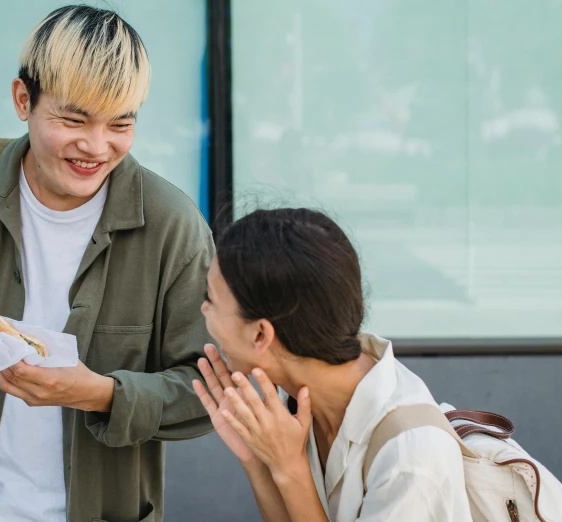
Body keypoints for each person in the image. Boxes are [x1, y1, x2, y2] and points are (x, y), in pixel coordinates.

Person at [0, 6, 213, 521]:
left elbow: (209, 384)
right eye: (73, 119)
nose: (97, 147)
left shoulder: (172, 224)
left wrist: (101, 394)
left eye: (121, 122)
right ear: (22, 100)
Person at [194, 208, 472, 522]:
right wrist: (259, 462)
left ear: (260, 334)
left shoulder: (411, 459)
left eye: (212, 299)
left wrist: (290, 470)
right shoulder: (295, 399)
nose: (204, 310)